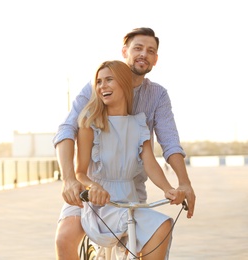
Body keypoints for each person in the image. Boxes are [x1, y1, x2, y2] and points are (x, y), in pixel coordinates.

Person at [53, 27, 196, 259]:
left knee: (151, 238)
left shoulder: (152, 104)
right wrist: (69, 180)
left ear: (155, 59)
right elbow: (67, 130)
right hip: (91, 190)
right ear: (125, 51)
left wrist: (178, 185)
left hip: (130, 190)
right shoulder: (93, 99)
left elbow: (167, 144)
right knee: (65, 237)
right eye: (137, 48)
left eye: (150, 51)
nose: (143, 54)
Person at [75, 60, 185, 259]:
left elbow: (150, 163)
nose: (102, 86)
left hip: (130, 199)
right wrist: (93, 187)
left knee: (164, 226)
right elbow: (80, 172)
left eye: (109, 80)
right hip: (103, 204)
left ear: (125, 83)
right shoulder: (90, 123)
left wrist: (168, 188)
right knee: (134, 225)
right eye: (98, 82)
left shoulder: (138, 123)